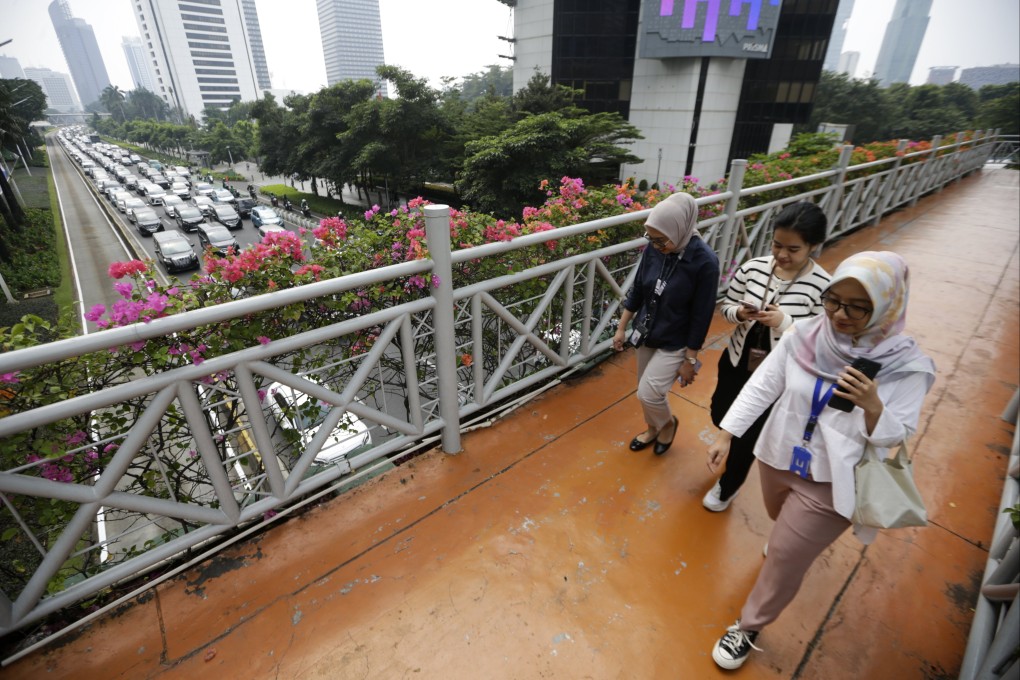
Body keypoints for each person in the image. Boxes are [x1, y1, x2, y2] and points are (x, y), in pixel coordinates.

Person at [705, 251, 936, 670]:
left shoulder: (905, 367)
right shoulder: (807, 334)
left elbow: (897, 435)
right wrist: (727, 433)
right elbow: (764, 384)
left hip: (833, 479)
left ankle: (749, 625)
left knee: (785, 558)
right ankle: (783, 541)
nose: (840, 314)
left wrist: (872, 406)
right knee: (778, 520)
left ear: (887, 304)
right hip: (779, 456)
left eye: (857, 306)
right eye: (833, 301)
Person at [702, 202, 832, 512]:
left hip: (779, 373)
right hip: (738, 357)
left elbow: (822, 339)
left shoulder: (823, 286)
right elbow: (727, 307)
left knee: (748, 432)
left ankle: (729, 485)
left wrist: (784, 323)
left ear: (813, 246)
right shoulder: (753, 268)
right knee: (721, 413)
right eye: (777, 244)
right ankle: (730, 443)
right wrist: (740, 313)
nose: (782, 254)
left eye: (793, 248)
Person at [612, 193, 720, 455]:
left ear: (680, 228)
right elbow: (638, 289)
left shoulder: (704, 262)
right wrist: (622, 327)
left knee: (649, 393)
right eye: (651, 238)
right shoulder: (655, 249)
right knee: (646, 390)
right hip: (647, 332)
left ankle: (668, 424)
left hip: (677, 340)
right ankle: (652, 428)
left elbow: (701, 314)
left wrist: (690, 359)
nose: (656, 245)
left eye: (661, 240)